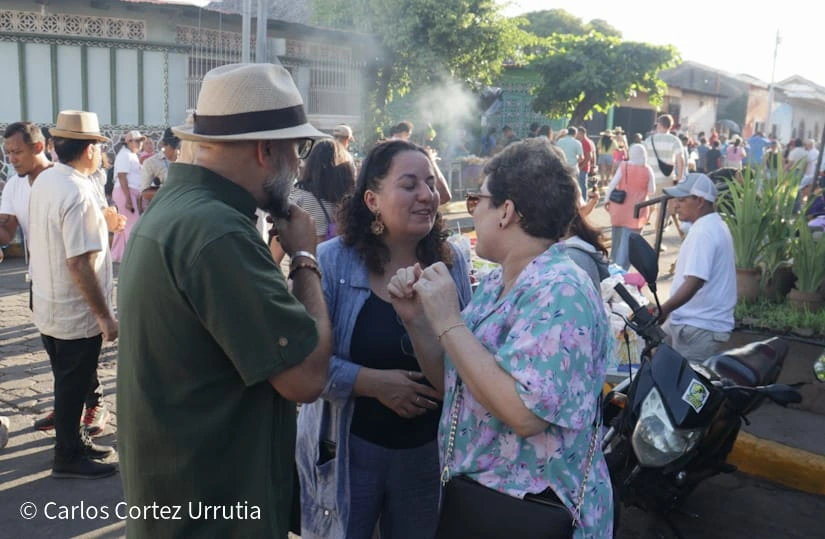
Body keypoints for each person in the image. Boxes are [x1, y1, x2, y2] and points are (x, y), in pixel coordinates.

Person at [116, 63, 333, 537]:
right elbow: (306, 378)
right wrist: (304, 257)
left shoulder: (179, 208)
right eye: (297, 150)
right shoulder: (217, 231)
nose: (298, 167)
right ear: (266, 150)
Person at [387, 138, 614, 539]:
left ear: (506, 211)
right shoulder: (498, 283)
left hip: (535, 515)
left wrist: (449, 321)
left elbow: (525, 414)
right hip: (486, 507)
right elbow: (456, 384)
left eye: (478, 200)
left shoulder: (561, 290)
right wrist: (417, 321)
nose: (472, 211)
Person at [296, 139, 472, 539]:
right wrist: (371, 383)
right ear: (372, 200)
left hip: (428, 458)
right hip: (348, 452)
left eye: (430, 183)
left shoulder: (451, 260)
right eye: (409, 185)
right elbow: (304, 365)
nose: (426, 195)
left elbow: (467, 364)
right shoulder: (332, 261)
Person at [27, 110, 119, 479]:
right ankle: (67, 454)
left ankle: (74, 442)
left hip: (49, 304)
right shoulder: (77, 191)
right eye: (98, 147)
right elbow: (80, 263)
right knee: (72, 386)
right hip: (73, 312)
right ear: (90, 150)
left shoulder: (49, 180)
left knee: (69, 383)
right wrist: (104, 316)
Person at [659, 173, 736, 363]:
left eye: (682, 200)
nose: (676, 205)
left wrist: (664, 309)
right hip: (692, 321)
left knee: (683, 380)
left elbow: (694, 281)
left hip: (699, 327)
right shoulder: (712, 224)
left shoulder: (704, 232)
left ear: (700, 201)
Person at [270, 138, 356, 263]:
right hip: (339, 268)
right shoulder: (349, 201)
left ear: (311, 165)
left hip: (307, 266)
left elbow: (278, 244)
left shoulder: (298, 196)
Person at [604, 143, 656, 269]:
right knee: (629, 243)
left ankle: (612, 266)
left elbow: (612, 184)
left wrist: (606, 200)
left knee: (617, 238)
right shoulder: (647, 169)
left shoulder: (624, 165)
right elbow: (652, 190)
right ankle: (621, 270)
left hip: (619, 207)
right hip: (637, 210)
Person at [111, 130, 145, 262]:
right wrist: (128, 199)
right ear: (128, 142)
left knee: (122, 225)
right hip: (125, 191)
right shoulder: (124, 155)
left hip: (130, 191)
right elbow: (122, 176)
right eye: (137, 141)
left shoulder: (131, 155)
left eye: (141, 141)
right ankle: (133, 257)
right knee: (133, 224)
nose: (140, 144)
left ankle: (118, 255)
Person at [138, 128, 180, 211]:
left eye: (178, 147)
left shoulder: (187, 159)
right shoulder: (151, 162)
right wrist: (170, 193)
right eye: (173, 147)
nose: (177, 151)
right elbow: (145, 193)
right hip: (164, 208)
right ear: (163, 144)